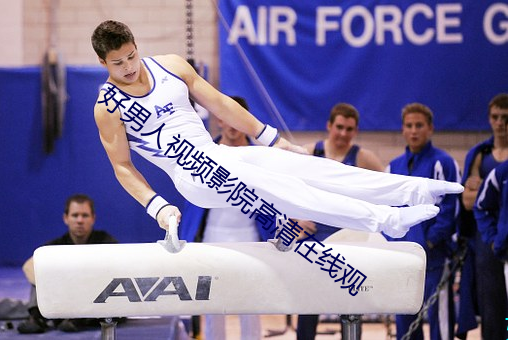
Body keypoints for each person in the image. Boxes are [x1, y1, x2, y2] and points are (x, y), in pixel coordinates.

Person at [91, 20, 462, 252]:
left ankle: (410, 190)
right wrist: (158, 206)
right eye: (117, 63)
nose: (128, 68)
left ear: (137, 46)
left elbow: (220, 103)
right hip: (192, 175)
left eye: (131, 56)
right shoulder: (108, 107)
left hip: (221, 155)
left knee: (311, 169)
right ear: (103, 63)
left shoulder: (170, 66)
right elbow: (122, 167)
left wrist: (271, 139)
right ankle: (382, 219)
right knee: (290, 192)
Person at [179, 96, 269, 340]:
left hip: (251, 238)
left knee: (251, 305)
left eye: (236, 119)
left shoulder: (259, 157)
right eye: (226, 118)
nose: (231, 125)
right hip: (212, 239)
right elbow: (192, 201)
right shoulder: (204, 155)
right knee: (213, 305)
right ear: (219, 120)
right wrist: (185, 239)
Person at [296, 102, 384, 340]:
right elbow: (281, 191)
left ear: (355, 131)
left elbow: (387, 192)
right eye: (340, 127)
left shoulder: (364, 158)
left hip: (349, 240)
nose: (343, 134)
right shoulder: (308, 153)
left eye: (349, 129)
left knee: (351, 301)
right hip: (314, 236)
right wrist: (296, 218)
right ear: (329, 126)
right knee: (308, 303)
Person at [385, 103, 460, 340]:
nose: (414, 131)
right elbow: (386, 209)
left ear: (430, 129)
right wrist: (393, 243)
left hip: (434, 257)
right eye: (409, 126)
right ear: (403, 130)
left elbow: (450, 209)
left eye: (419, 125)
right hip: (403, 259)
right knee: (405, 321)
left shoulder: (443, 163)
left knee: (440, 321)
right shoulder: (393, 167)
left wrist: (430, 242)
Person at [17, 194, 118, 334]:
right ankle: (36, 318)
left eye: (85, 215)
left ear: (93, 218)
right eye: (75, 215)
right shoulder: (55, 246)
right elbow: (28, 266)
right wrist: (58, 283)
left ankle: (78, 319)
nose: (80, 220)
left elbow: (116, 270)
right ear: (66, 218)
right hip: (63, 298)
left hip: (94, 301)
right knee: (40, 270)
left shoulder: (106, 242)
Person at [458, 93, 508, 340]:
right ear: (489, 119)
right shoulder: (480, 154)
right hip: (487, 238)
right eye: (495, 117)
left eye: (505, 118)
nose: (500, 123)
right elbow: (467, 202)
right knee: (491, 304)